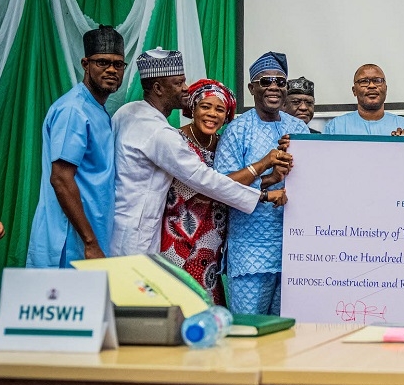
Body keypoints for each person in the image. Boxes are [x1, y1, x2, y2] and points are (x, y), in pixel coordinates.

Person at [111, 49, 284, 258]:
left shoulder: (126, 112)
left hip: (124, 222)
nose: (185, 89)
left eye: (220, 110)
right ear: (158, 88)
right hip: (140, 233)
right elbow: (203, 180)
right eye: (178, 83)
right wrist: (263, 195)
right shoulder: (161, 134)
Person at [160, 79, 292, 305]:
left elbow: (232, 188)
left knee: (212, 312)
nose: (212, 114)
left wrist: (271, 179)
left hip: (213, 242)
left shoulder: (222, 142)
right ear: (193, 108)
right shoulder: (177, 141)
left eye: (219, 109)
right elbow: (211, 189)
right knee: (183, 307)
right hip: (181, 240)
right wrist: (264, 166)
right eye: (205, 106)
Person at [215, 52, 308, 315]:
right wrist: (267, 171)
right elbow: (222, 186)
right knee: (249, 334)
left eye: (280, 82)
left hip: (294, 248)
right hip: (251, 251)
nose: (274, 87)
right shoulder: (237, 130)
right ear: (251, 88)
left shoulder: (298, 129)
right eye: (265, 81)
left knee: (286, 336)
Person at [27, 25, 125, 267]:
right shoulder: (74, 110)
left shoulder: (97, 110)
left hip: (89, 240)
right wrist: (90, 243)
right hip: (69, 242)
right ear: (85, 64)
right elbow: (60, 179)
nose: (111, 69)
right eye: (102, 62)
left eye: (118, 64)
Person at [323, 64, 404, 136]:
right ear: (354, 91)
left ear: (386, 89)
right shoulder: (335, 127)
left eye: (377, 81)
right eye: (364, 81)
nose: (372, 86)